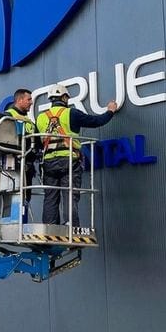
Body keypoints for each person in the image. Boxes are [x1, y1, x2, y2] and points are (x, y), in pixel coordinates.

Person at [35, 84, 118, 227]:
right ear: (64, 97)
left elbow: (37, 142)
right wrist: (110, 111)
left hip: (48, 162)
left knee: (50, 197)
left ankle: (50, 227)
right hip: (69, 160)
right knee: (69, 194)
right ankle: (70, 227)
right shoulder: (71, 113)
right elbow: (96, 121)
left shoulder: (40, 118)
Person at [5, 88, 38, 214]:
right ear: (19, 100)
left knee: (25, 200)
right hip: (13, 167)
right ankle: (13, 227)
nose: (31, 102)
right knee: (13, 198)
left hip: (27, 167)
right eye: (29, 99)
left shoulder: (28, 121)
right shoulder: (8, 116)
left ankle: (21, 226)